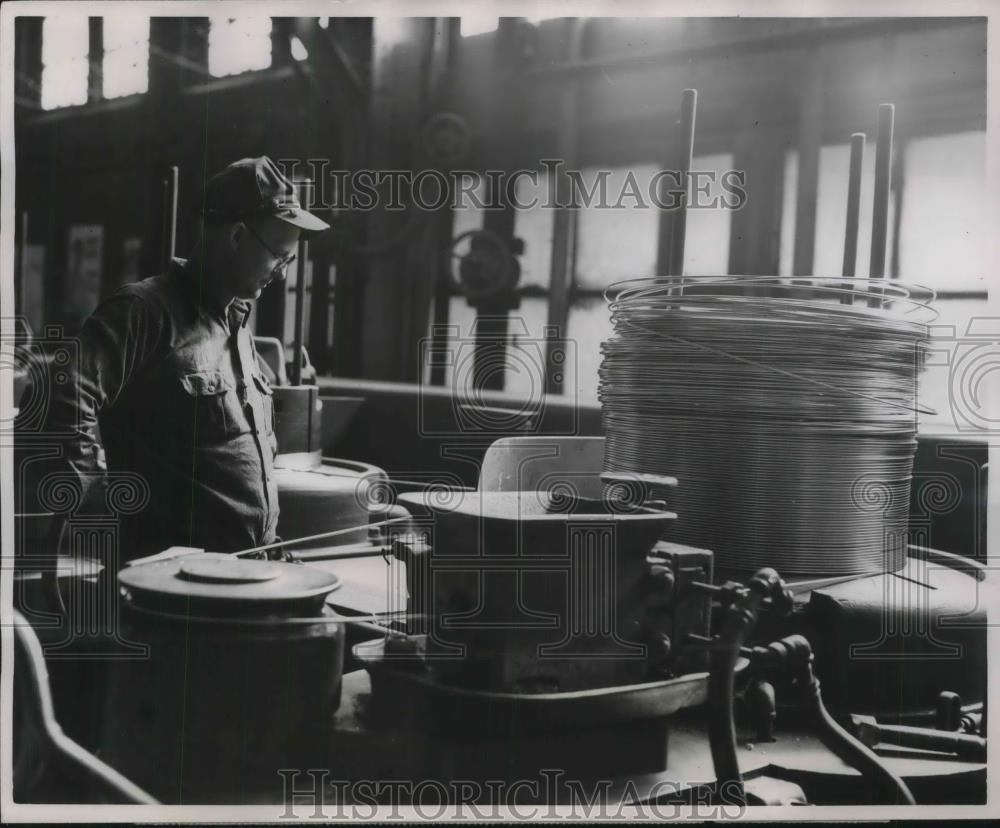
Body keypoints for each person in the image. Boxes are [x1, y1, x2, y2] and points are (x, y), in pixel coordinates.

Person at [37, 156, 329, 565]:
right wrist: (94, 505)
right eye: (279, 256)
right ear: (237, 236)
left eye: (289, 262)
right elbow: (61, 388)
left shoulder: (236, 328)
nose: (281, 273)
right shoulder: (145, 312)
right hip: (175, 590)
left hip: (248, 572)